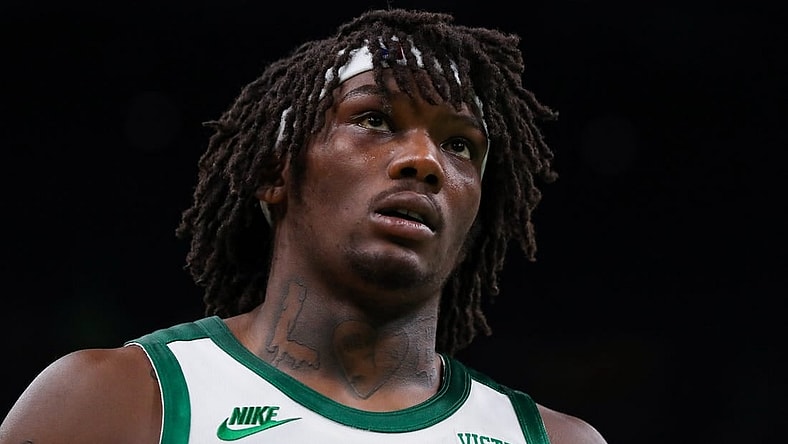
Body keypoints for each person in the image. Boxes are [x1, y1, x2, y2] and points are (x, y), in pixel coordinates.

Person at [1, 8, 607, 444]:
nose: (425, 160)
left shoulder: (553, 439)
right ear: (276, 172)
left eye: (459, 145)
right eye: (374, 119)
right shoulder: (113, 403)